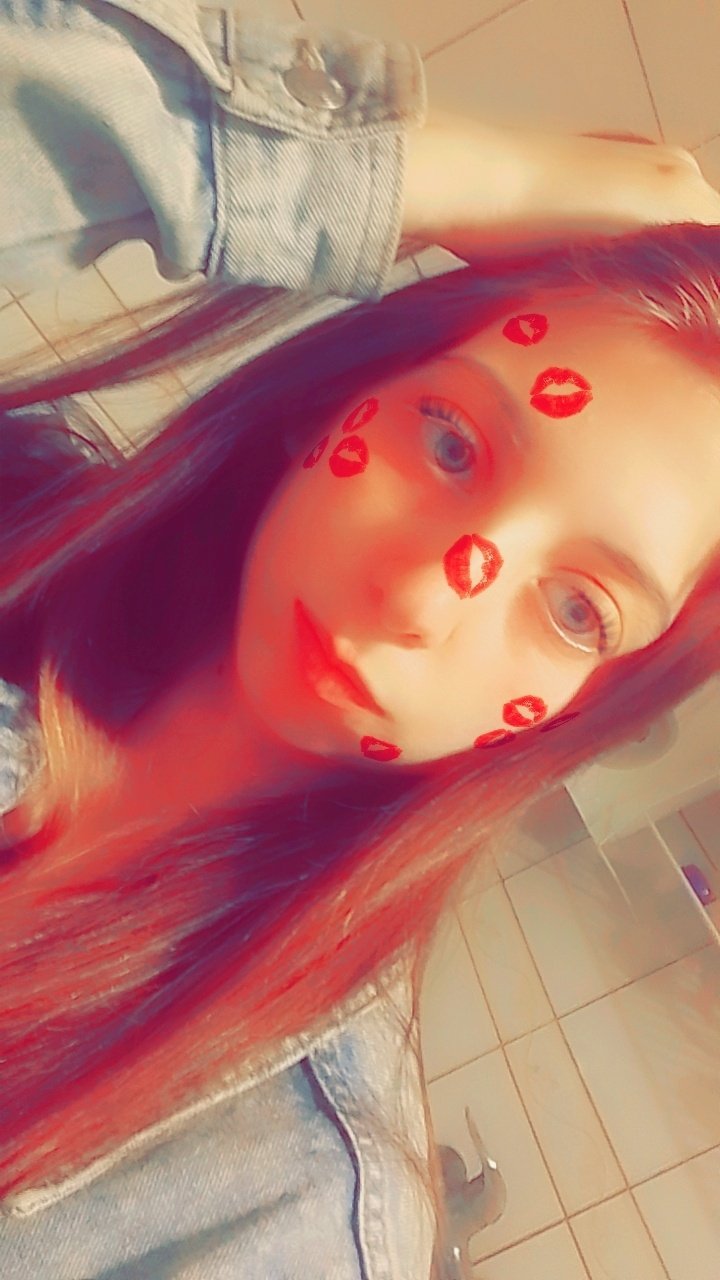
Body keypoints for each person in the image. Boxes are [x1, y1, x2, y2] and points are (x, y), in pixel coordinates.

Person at [0, 3, 719, 1277]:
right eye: (451, 442)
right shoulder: (20, 502)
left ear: (582, 711)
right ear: (341, 402)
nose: (423, 597)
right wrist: (440, 176)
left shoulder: (286, 1209)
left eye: (578, 609)